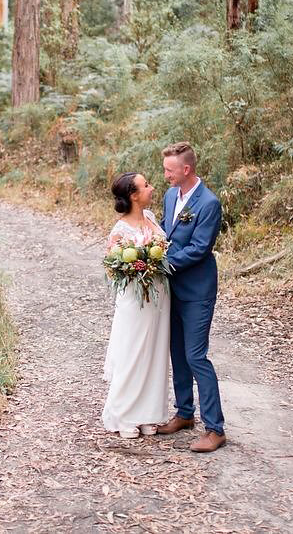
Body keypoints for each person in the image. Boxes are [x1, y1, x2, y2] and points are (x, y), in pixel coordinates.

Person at [156, 142, 226, 453]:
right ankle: (184, 413)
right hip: (171, 287)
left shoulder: (209, 203)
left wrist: (162, 264)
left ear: (186, 170)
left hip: (197, 290)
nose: (165, 175)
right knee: (177, 352)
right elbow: (163, 231)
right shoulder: (171, 195)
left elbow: (199, 249)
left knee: (196, 355)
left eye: (169, 170)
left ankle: (215, 428)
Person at [101, 172, 171, 439]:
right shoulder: (119, 230)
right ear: (133, 195)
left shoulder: (151, 218)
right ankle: (123, 414)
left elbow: (163, 246)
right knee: (132, 354)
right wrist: (134, 267)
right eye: (146, 185)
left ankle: (147, 414)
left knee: (153, 355)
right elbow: (112, 268)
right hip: (133, 299)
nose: (152, 188)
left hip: (158, 297)